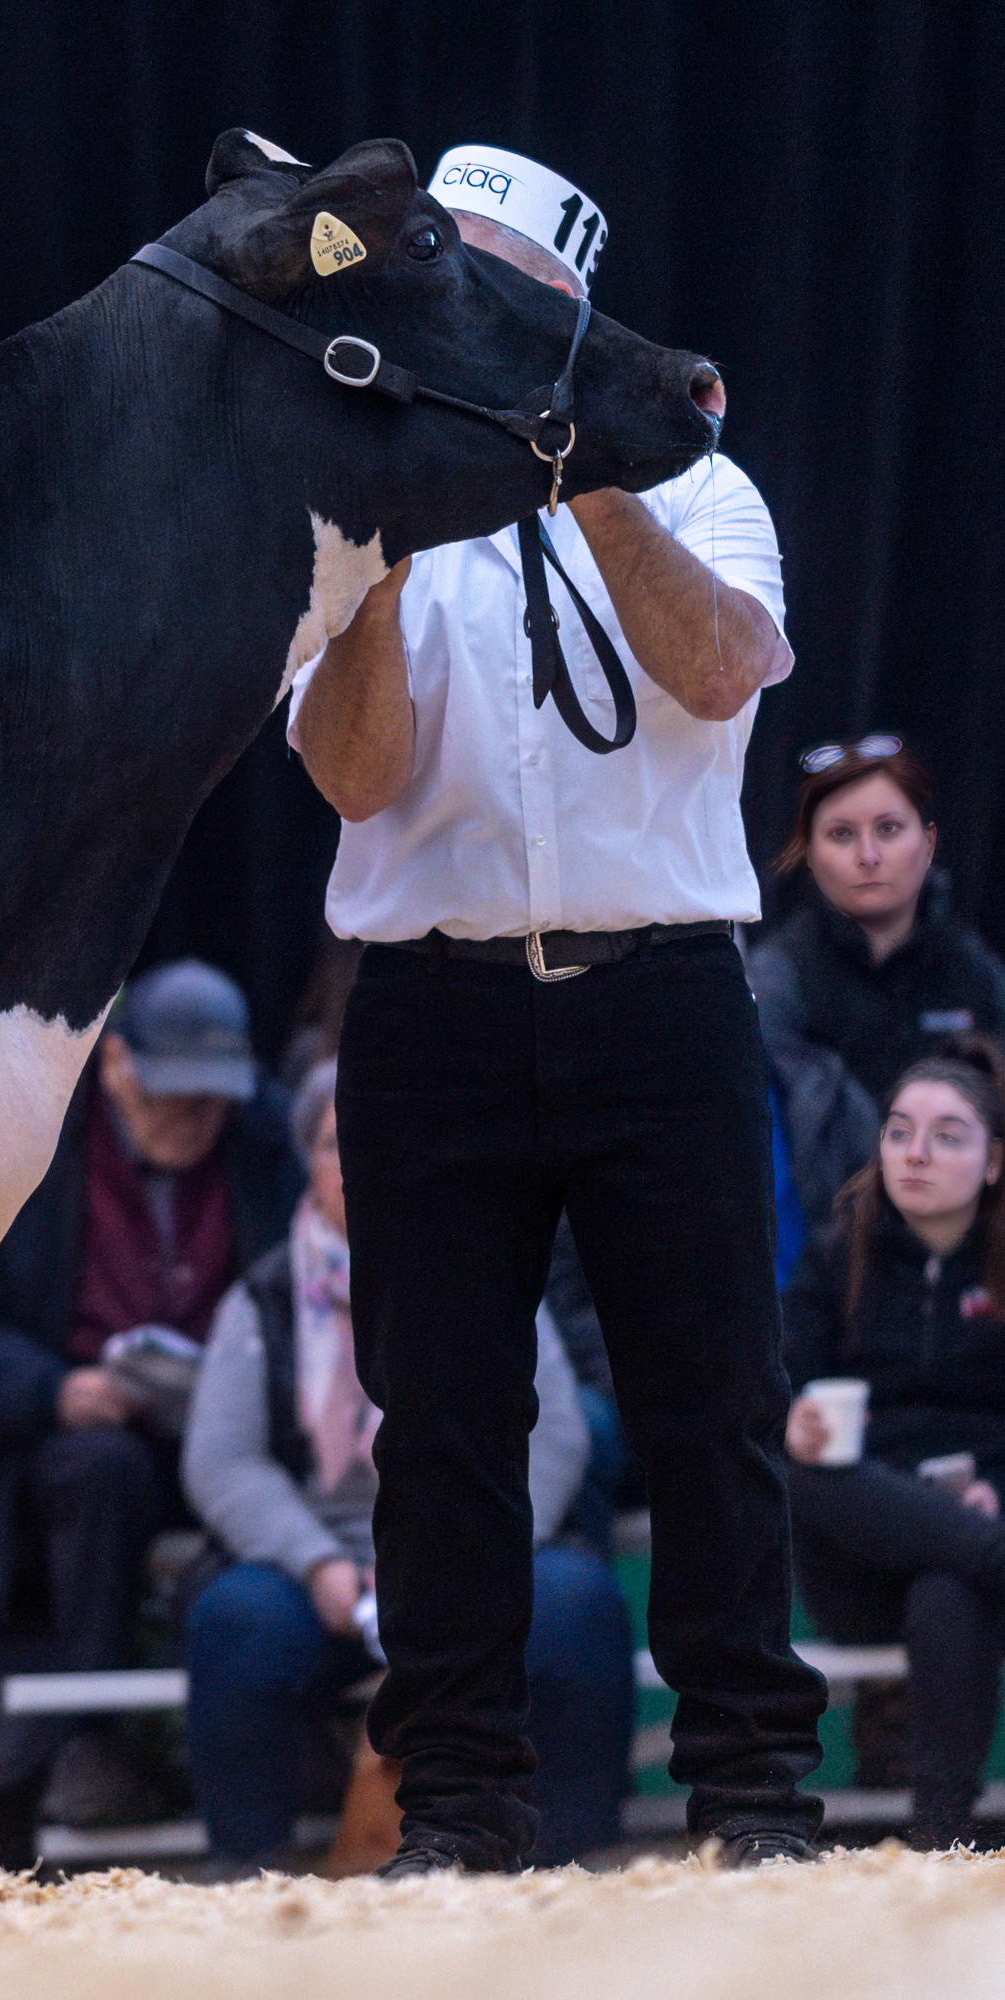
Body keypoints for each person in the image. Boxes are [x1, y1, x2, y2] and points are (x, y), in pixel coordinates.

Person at [289, 142, 827, 1872]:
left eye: (503, 299)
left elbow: (721, 670)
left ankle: (753, 1795)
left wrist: (591, 470)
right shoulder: (361, 514)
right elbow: (352, 774)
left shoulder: (706, 487)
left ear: (574, 321)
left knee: (712, 1403)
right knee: (440, 1423)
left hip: (661, 996)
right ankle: (457, 1809)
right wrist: (380, 553)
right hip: (428, 1013)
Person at [182, 1063, 632, 1871]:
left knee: (576, 1605)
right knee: (235, 1619)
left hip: (472, 1555)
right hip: (320, 1571)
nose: (359, 1162)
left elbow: (559, 1433)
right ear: (307, 1162)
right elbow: (223, 1461)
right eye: (335, 1143)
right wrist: (317, 1563)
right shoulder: (262, 1298)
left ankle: (579, 1862)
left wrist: (470, 1558)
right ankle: (246, 1873)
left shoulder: (492, 1277)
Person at [0, 957, 303, 1820]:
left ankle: (263, 1737)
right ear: (119, 1065)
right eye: (175, 1095)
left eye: (213, 1099)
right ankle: (87, 1744)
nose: (197, 1118)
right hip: (79, 1441)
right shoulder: (31, 1148)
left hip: (240, 1431)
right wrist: (57, 1391)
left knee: (261, 1491)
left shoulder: (265, 1141)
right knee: (100, 1470)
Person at [781, 1042, 1005, 1849]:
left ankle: (940, 1840)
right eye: (900, 1131)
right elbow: (771, 1392)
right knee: (805, 1466)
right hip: (857, 1557)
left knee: (948, 1587)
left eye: (947, 1136)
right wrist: (794, 1417)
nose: (915, 1153)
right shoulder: (837, 1254)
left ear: (993, 1162)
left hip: (967, 1558)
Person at [751, 738, 1005, 1111]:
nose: (868, 856)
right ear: (810, 854)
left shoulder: (974, 972)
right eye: (841, 833)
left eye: (888, 829)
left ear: (928, 842)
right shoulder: (777, 978)